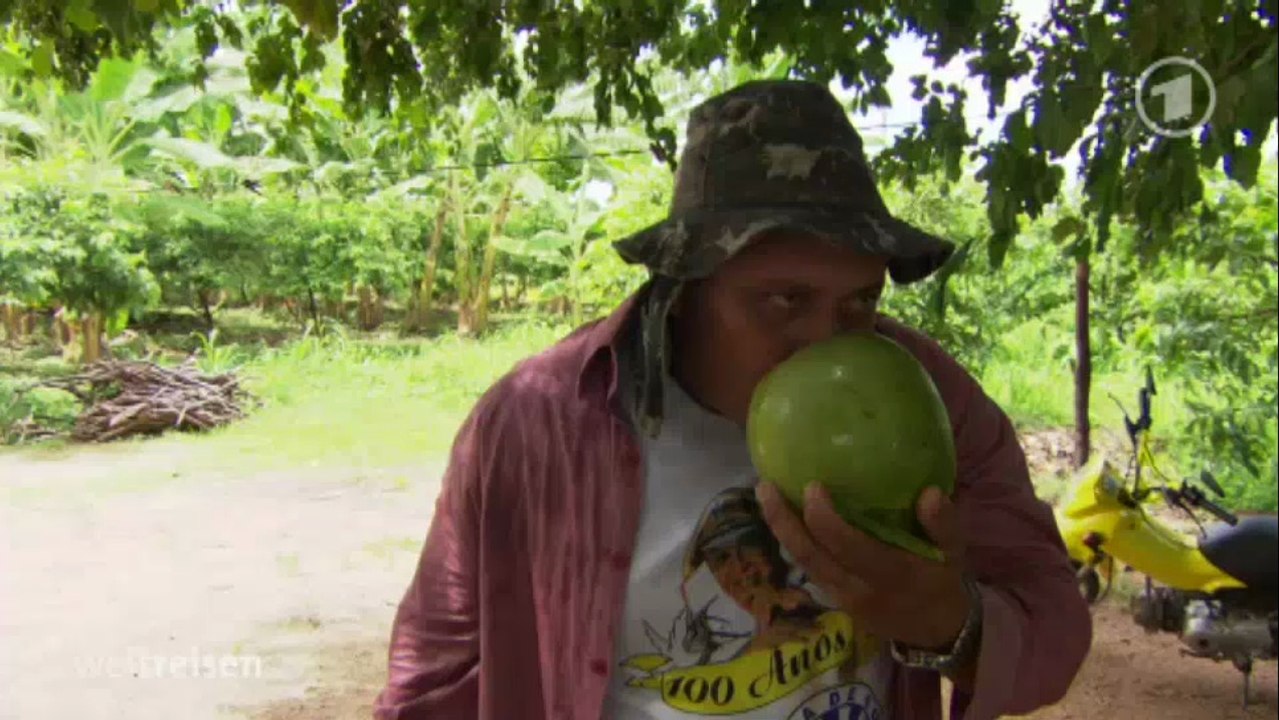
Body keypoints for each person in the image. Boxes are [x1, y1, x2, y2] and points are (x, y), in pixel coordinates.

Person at [373, 79, 1092, 720]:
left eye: (857, 303)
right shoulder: (535, 422)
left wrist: (950, 625)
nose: (826, 345)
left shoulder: (930, 400)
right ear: (684, 287)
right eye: (784, 300)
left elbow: (1052, 627)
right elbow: (434, 677)